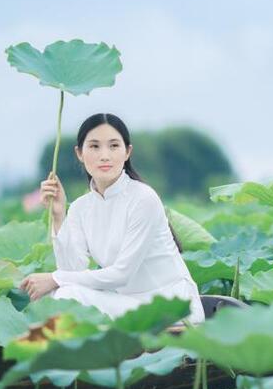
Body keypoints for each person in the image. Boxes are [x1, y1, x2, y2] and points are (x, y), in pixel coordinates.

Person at [19, 113, 205, 323]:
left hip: (173, 307)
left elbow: (121, 274)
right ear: (79, 153)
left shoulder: (143, 198)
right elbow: (72, 270)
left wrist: (54, 278)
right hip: (128, 304)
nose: (104, 155)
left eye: (114, 146)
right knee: (57, 296)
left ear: (127, 152)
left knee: (66, 294)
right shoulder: (80, 207)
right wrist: (59, 215)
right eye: (94, 146)